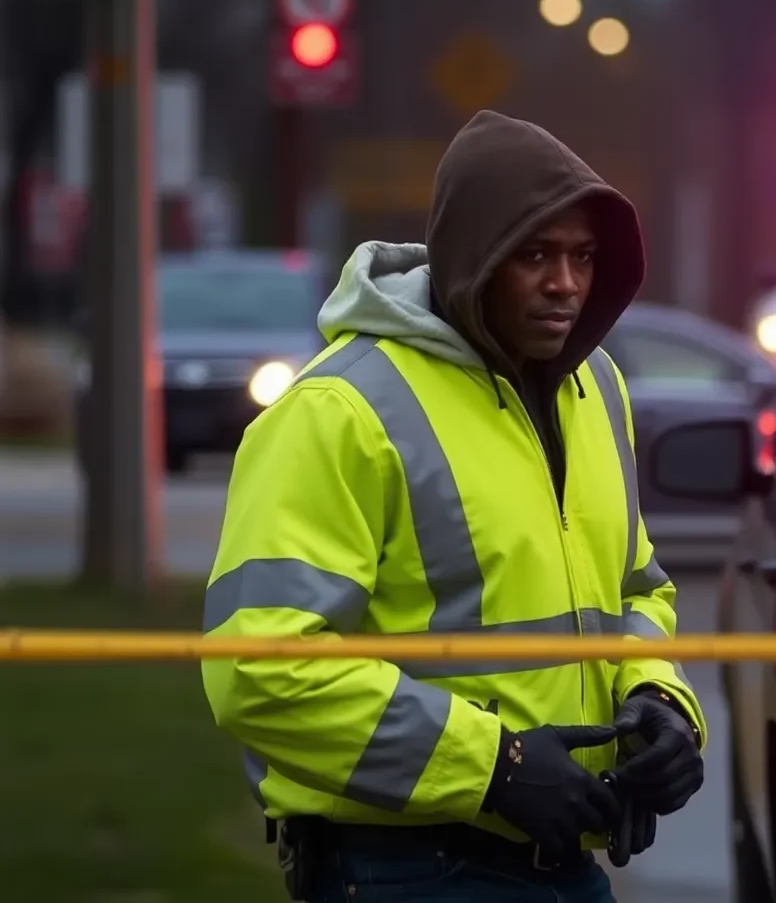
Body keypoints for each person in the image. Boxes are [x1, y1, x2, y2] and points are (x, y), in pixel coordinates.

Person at [201, 110, 707, 902]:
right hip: (405, 870)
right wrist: (495, 768)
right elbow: (261, 670)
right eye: (535, 254)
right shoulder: (339, 410)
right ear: (474, 256)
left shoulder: (596, 388)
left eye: (582, 256)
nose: (566, 284)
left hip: (566, 860)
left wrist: (660, 704)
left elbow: (637, 592)